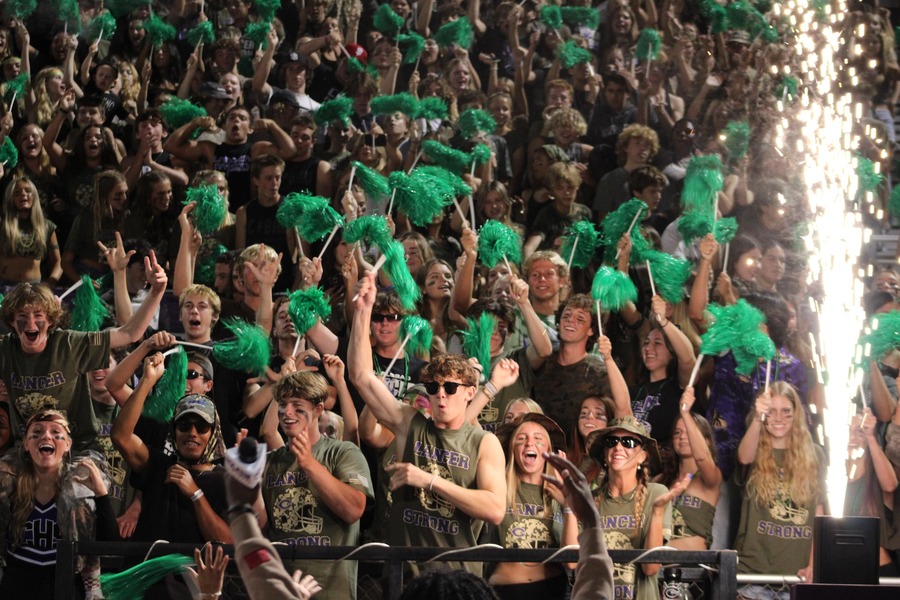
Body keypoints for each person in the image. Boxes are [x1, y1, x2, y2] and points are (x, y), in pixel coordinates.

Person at [349, 271, 506, 576]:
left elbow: (494, 509)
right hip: (406, 577)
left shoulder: (483, 442)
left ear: (470, 392)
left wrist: (428, 480)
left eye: (450, 388)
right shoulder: (411, 422)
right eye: (433, 388)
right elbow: (361, 376)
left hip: (457, 579)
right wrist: (363, 310)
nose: (440, 396)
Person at [0, 251, 166, 450]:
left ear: (51, 320)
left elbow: (130, 333)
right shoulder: (5, 348)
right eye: (22, 316)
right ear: (11, 321)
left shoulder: (70, 343)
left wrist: (157, 291)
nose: (31, 323)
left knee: (83, 481)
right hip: (26, 450)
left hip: (78, 448)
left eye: (38, 315)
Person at [262, 370, 373, 600]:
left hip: (332, 592)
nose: (287, 412)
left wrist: (309, 464)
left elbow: (353, 510)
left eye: (296, 404)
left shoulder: (343, 452)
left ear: (318, 409)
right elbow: (261, 527)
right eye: (282, 404)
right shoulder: (271, 461)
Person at [0, 410, 119, 598]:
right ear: (26, 444)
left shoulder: (79, 484)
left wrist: (101, 495)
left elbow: (111, 546)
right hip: (16, 585)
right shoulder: (8, 483)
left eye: (56, 434)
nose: (46, 436)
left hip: (66, 584)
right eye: (37, 433)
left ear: (68, 445)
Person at [733, 382, 826, 599]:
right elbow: (744, 457)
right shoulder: (754, 448)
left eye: (786, 411)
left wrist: (814, 564)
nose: (778, 418)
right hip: (752, 578)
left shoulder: (815, 455)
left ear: (797, 415)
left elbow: (819, 514)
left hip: (796, 578)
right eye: (771, 411)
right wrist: (758, 418)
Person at [587, 416, 689, 600]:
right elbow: (572, 564)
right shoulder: (590, 500)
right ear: (604, 453)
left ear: (642, 456)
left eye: (628, 442)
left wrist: (657, 512)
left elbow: (650, 568)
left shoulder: (656, 493)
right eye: (612, 441)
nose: (618, 447)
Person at [488, 413, 577, 599]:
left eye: (538, 439)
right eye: (521, 438)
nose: (529, 443)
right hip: (505, 591)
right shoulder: (497, 487)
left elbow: (571, 563)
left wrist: (569, 501)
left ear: (549, 451)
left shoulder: (562, 495)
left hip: (553, 590)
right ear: (512, 449)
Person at [654, 387, 721, 551]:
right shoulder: (660, 480)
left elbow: (702, 458)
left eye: (689, 432)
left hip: (693, 568)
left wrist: (685, 413)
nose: (682, 437)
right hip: (658, 566)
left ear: (707, 441)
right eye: (677, 433)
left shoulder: (710, 479)